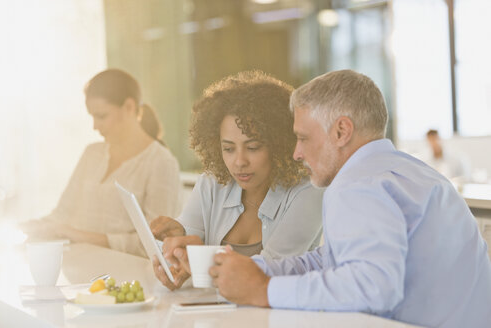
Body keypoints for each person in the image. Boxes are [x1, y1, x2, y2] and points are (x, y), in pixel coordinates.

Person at [205, 70, 491, 328]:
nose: (296, 153)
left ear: (341, 131)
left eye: (303, 138)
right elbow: (334, 257)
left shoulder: (357, 185)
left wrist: (263, 289)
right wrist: (258, 270)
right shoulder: (417, 175)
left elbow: (374, 288)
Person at [151, 70, 324, 290]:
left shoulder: (308, 191)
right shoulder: (212, 183)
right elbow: (184, 250)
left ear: (279, 145)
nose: (239, 161)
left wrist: (200, 262)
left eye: (253, 147)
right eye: (228, 149)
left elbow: (273, 269)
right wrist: (173, 254)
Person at [20, 69, 183, 257]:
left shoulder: (161, 163)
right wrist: (21, 228)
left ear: (129, 107)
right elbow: (61, 215)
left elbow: (155, 242)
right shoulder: (92, 154)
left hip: (128, 277)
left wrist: (77, 235)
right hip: (78, 270)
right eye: (92, 116)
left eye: (102, 116)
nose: (95, 126)